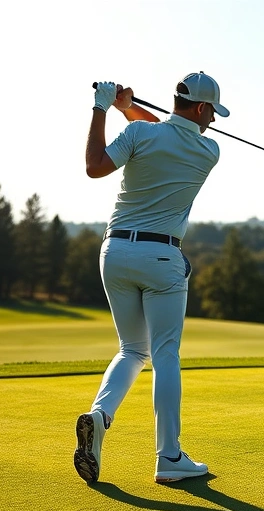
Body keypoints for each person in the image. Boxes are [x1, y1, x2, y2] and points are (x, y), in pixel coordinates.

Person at [74, 72, 229, 484]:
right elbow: (166, 134)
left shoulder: (141, 133)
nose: (213, 120)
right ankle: (169, 458)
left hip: (115, 251)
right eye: (211, 111)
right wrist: (124, 109)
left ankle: (99, 416)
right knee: (164, 354)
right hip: (162, 257)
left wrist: (104, 109)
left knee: (131, 349)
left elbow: (96, 166)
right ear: (200, 108)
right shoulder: (208, 150)